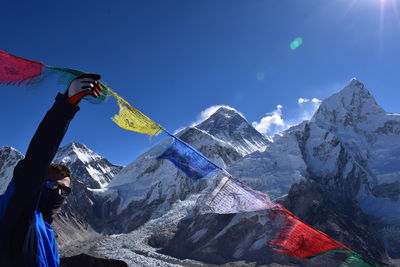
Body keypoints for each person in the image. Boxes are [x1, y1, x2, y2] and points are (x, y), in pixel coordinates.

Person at [0, 73, 102, 267]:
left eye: (64, 190)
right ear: (38, 183)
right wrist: (65, 106)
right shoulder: (18, 214)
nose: (58, 193)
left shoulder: (47, 230)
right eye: (51, 185)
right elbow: (37, 159)